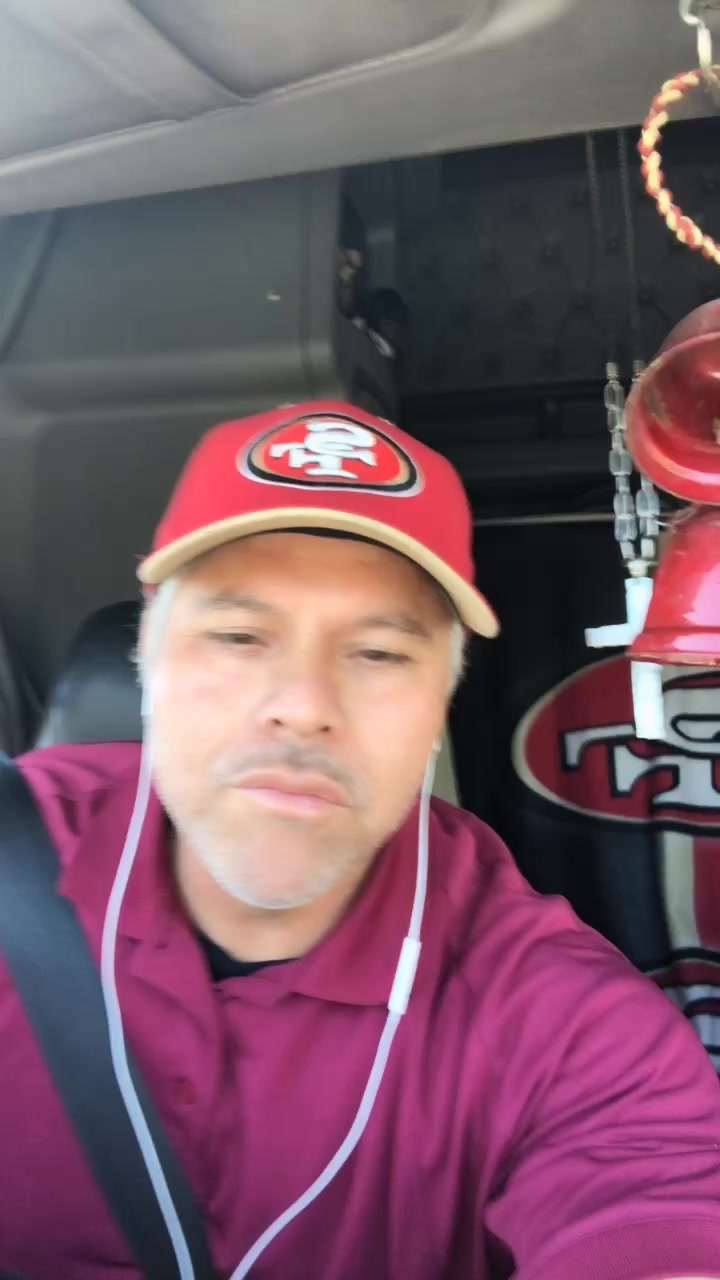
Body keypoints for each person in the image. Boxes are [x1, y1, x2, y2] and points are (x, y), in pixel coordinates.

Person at [1, 400, 720, 1280]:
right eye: (239, 636)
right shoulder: (15, 854)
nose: (304, 706)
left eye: (378, 653)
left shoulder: (558, 1022)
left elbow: (655, 1209)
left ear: (441, 697)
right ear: (148, 650)